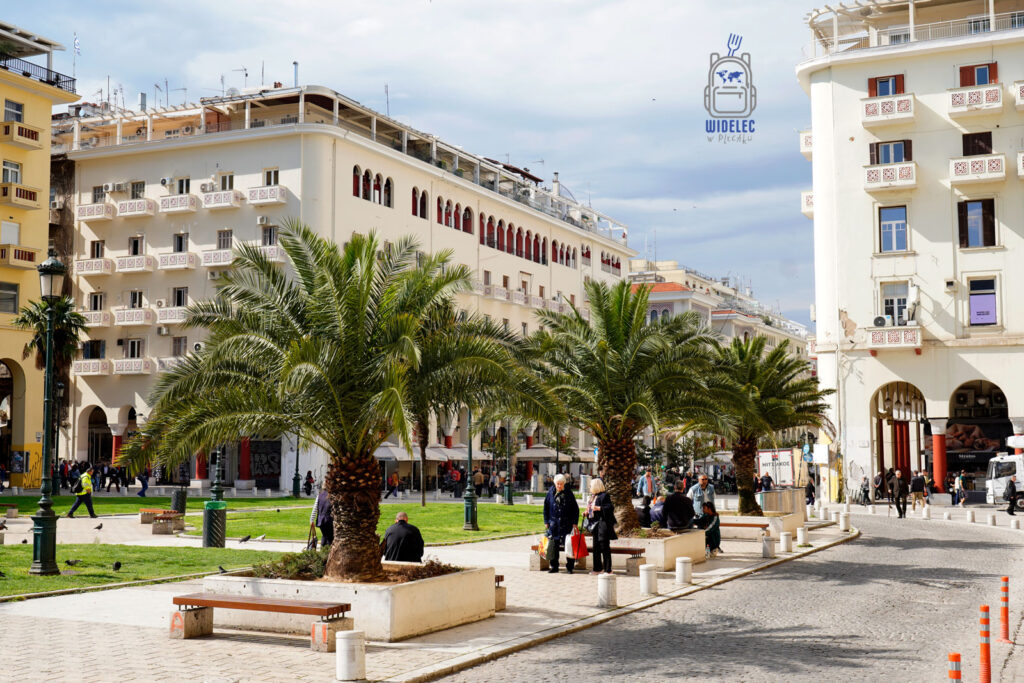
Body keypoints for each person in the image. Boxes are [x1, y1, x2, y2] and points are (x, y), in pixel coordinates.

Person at [543, 473, 580, 574]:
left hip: (566, 523)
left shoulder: (568, 493)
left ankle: (570, 567)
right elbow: (546, 508)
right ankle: (554, 566)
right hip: (554, 524)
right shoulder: (550, 492)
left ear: (564, 484)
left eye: (561, 484)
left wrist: (574, 523)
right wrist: (546, 521)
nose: (559, 486)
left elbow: (575, 509)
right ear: (555, 483)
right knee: (553, 546)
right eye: (558, 484)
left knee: (568, 545)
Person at [584, 478, 616, 574]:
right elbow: (590, 509)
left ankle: (608, 569)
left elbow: (610, 508)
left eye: (591, 486)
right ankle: (597, 568)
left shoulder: (604, 496)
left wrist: (599, 508)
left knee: (604, 546)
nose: (590, 487)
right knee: (596, 547)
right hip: (594, 525)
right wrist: (586, 512)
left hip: (602, 524)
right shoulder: (592, 497)